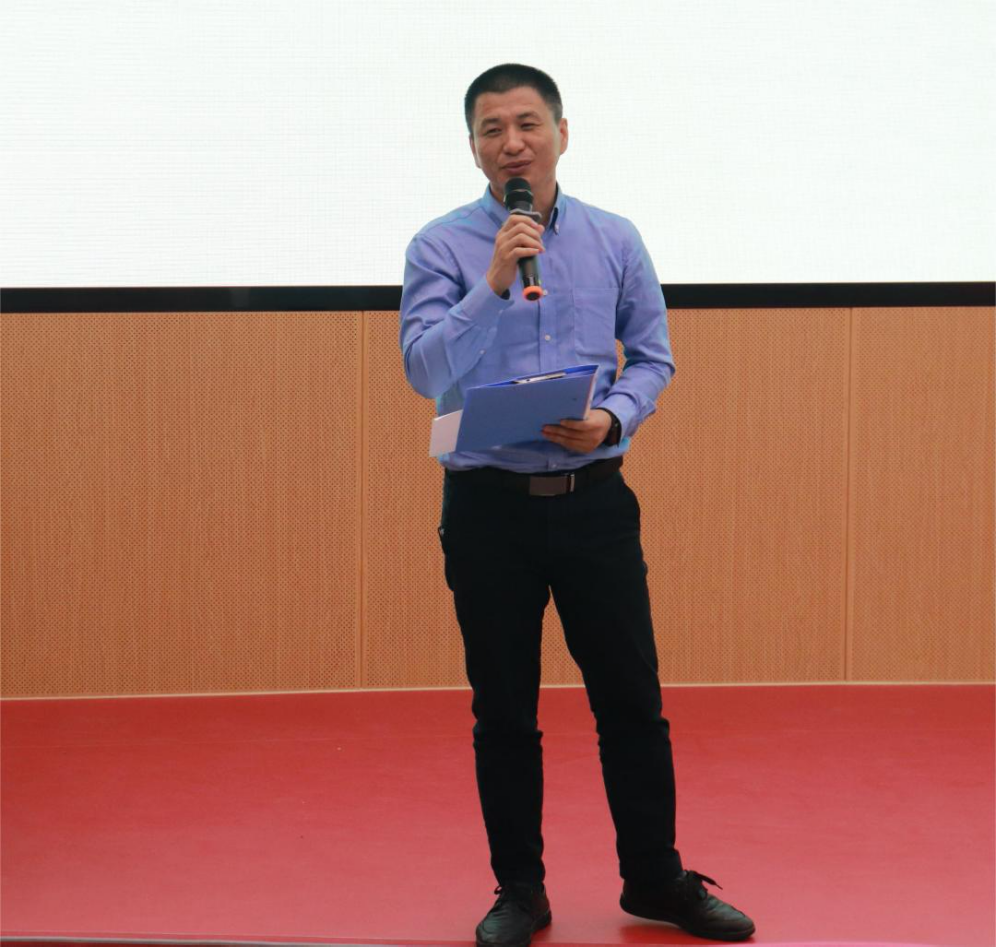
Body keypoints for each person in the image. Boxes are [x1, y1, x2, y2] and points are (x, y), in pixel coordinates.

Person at [400, 63, 755, 947]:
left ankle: (656, 878)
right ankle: (520, 890)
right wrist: (492, 281)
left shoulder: (614, 238)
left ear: (562, 132)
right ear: (473, 147)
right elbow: (424, 370)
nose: (512, 143)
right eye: (492, 129)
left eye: (528, 123)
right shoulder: (440, 247)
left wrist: (612, 416)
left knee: (631, 700)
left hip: (594, 501)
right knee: (504, 710)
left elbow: (653, 356)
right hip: (488, 509)